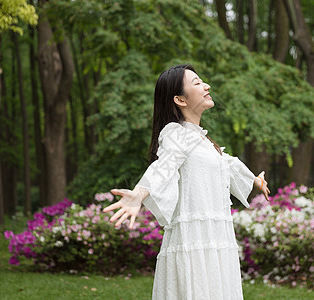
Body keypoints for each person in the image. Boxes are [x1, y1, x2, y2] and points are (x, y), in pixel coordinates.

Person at [103, 64, 270, 300]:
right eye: (197, 82)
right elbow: (164, 165)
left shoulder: (202, 141)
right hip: (194, 240)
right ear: (180, 99)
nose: (206, 86)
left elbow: (229, 164)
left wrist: (255, 180)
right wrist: (139, 194)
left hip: (216, 239)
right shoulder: (175, 133)